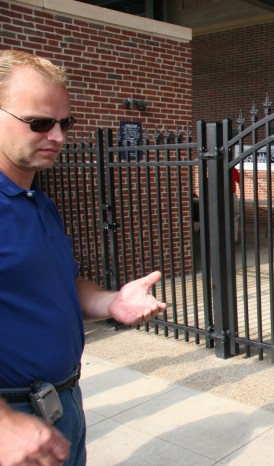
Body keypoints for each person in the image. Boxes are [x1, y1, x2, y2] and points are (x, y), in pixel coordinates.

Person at [0, 50, 167, 466]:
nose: (57, 136)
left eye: (64, 123)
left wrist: (111, 302)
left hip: (60, 405)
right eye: (39, 122)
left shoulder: (37, 201)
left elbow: (63, 287)